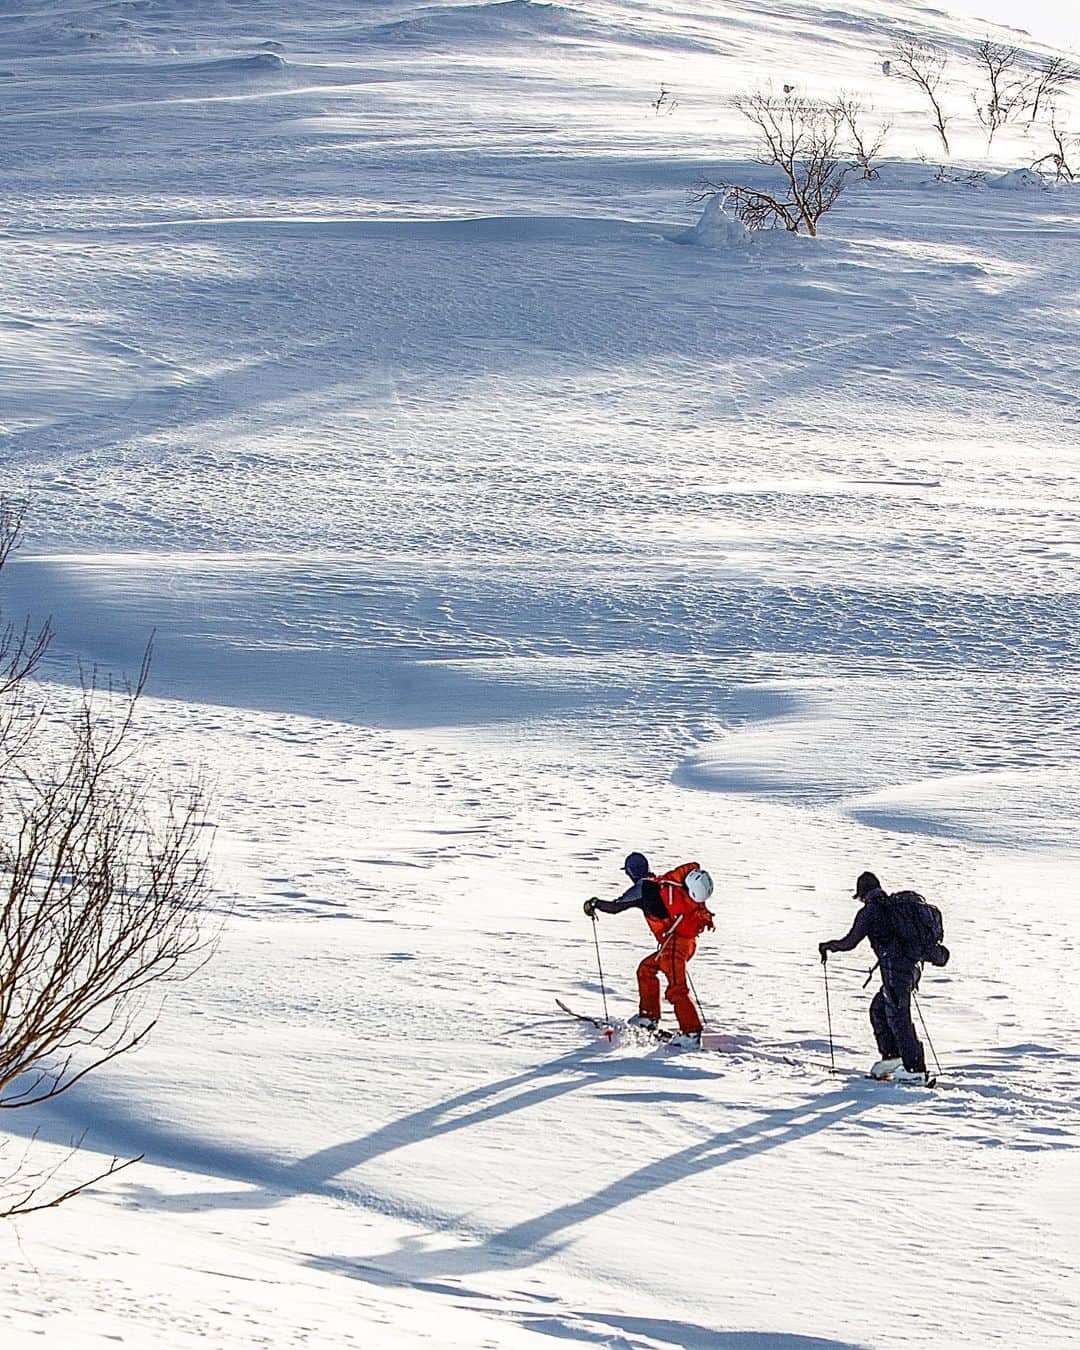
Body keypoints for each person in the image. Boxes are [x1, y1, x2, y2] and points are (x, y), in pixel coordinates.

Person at [584, 852, 714, 1048]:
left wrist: (595, 904)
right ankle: (648, 1017)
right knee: (646, 969)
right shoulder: (662, 885)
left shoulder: (644, 888)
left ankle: (691, 1033)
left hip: (675, 945)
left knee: (677, 988)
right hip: (684, 942)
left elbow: (616, 906)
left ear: (630, 872)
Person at [818, 871, 929, 1083]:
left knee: (899, 1018)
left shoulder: (871, 911)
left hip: (896, 972)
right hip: (911, 969)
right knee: (879, 1009)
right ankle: (893, 1057)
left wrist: (828, 946)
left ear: (862, 893)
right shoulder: (893, 906)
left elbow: (850, 942)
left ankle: (916, 1070)